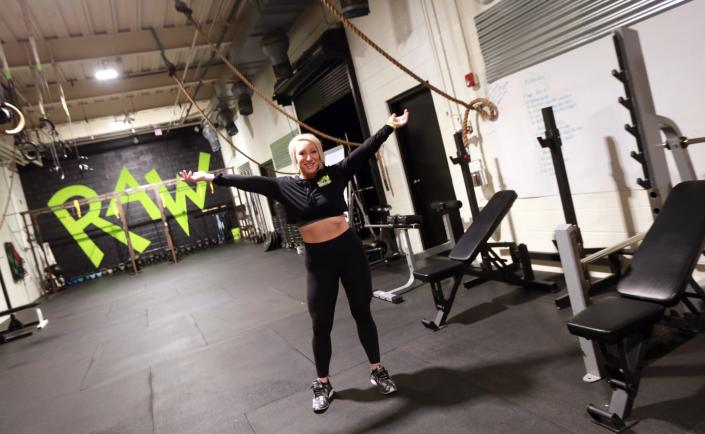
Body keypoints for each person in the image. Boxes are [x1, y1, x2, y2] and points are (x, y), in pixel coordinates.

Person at [179, 109, 410, 413]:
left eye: (314, 151)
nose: (310, 156)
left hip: (349, 252)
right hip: (319, 261)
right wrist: (207, 176)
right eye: (303, 152)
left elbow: (367, 149)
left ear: (320, 154)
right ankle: (323, 383)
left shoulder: (336, 173)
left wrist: (390, 125)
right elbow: (243, 182)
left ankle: (377, 369)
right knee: (320, 323)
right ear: (295, 158)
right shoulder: (283, 186)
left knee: (362, 312)